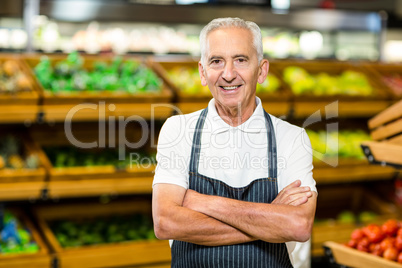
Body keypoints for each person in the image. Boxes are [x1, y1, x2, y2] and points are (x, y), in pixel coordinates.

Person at [152, 17, 317, 268]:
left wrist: (203, 202)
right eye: (216, 61)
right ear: (202, 72)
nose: (228, 74)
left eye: (240, 60)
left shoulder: (292, 138)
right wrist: (269, 219)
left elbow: (298, 225)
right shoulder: (178, 130)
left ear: (261, 70)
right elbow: (166, 222)